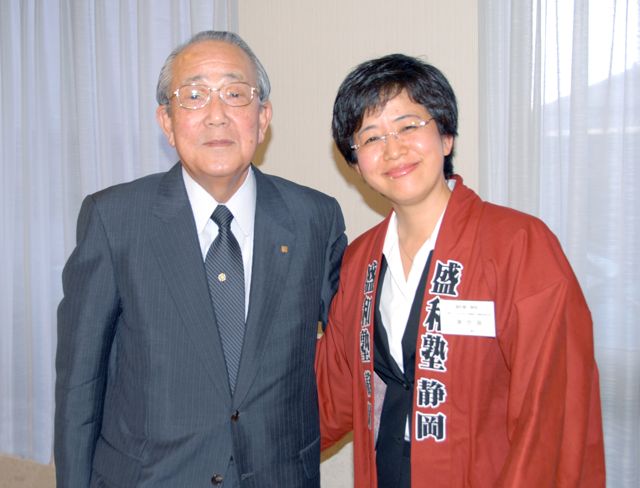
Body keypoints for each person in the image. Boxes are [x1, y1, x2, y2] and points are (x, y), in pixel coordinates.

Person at [55, 30, 346, 488]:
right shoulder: (114, 219)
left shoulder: (314, 218)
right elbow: (80, 387)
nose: (216, 116)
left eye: (235, 94)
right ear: (167, 122)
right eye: (193, 96)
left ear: (263, 117)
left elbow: (355, 351)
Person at [315, 54, 605, 487]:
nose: (393, 149)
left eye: (409, 126)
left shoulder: (519, 245)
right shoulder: (361, 260)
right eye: (371, 137)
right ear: (355, 164)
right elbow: (328, 395)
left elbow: (553, 411)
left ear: (445, 136)